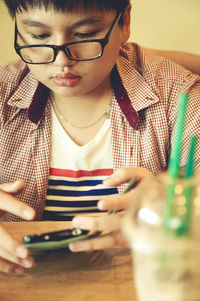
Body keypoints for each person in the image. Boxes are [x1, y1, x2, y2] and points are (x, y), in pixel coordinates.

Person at [0, 0, 200, 274]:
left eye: (84, 35)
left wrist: (173, 205)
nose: (62, 60)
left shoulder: (177, 94)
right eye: (39, 36)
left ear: (124, 22)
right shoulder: (3, 93)